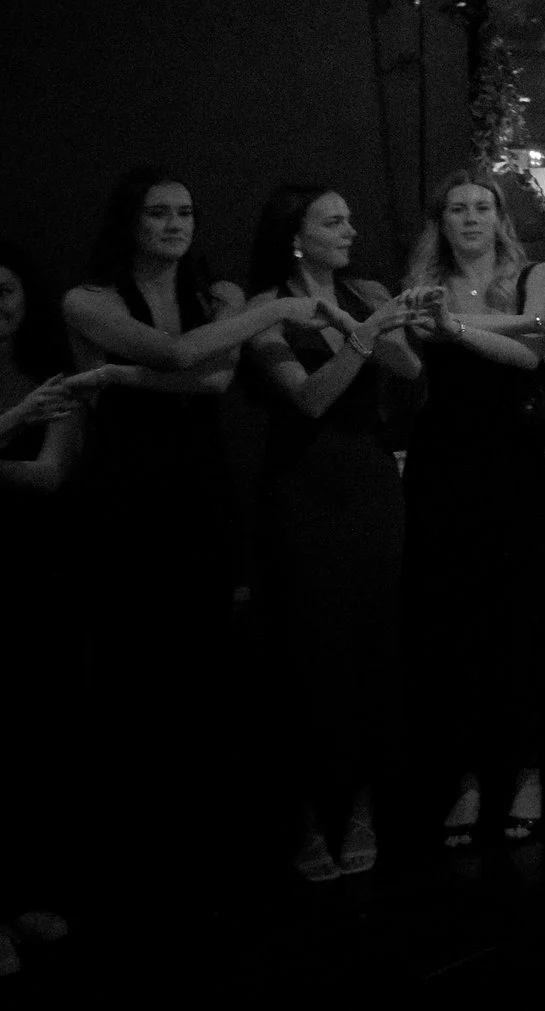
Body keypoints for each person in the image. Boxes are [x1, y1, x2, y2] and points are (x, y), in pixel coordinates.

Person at [62, 169, 330, 871]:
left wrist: (119, 376)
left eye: (185, 212)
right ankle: (134, 844)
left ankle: (205, 837)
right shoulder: (87, 300)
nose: (175, 224)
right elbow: (183, 355)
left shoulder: (220, 295)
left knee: (207, 653)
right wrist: (273, 313)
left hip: (200, 483)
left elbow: (213, 380)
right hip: (125, 488)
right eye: (159, 213)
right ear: (131, 221)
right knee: (130, 661)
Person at [241, 186, 422, 881]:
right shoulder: (266, 306)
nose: (351, 228)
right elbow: (309, 396)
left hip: (371, 480)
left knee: (375, 648)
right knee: (309, 653)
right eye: (334, 220)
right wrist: (366, 333)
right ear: (296, 236)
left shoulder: (367, 286)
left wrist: (388, 321)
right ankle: (309, 815)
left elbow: (410, 373)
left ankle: (364, 809)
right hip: (303, 486)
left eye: (351, 216)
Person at [398, 168, 545, 849]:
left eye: (481, 206)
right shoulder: (422, 286)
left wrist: (455, 327)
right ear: (439, 221)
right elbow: (414, 358)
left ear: (501, 217)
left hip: (512, 462)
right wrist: (492, 325)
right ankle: (464, 776)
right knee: (451, 623)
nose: (470, 217)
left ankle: (527, 772)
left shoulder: (536, 273)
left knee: (518, 620)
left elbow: (534, 351)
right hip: (442, 465)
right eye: (457, 207)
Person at [0, 243, 103, 974]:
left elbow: (50, 474)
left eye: (3, 288)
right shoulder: (32, 397)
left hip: (29, 575)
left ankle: (22, 897)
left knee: (28, 741)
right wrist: (14, 421)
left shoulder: (49, 378)